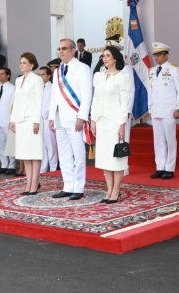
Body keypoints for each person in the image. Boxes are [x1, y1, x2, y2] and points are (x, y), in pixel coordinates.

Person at [48, 38, 93, 200]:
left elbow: (87, 95)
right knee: (64, 155)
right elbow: (55, 96)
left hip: (75, 117)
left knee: (78, 154)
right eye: (59, 49)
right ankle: (68, 185)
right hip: (60, 118)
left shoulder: (83, 68)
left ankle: (79, 187)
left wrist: (82, 116)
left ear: (73, 50)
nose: (61, 51)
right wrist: (52, 116)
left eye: (64, 48)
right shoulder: (57, 71)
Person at [90, 46, 133, 203]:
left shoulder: (123, 77)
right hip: (101, 122)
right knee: (104, 157)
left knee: (117, 157)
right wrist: (93, 119)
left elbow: (125, 102)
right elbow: (95, 99)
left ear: (115, 58)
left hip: (115, 121)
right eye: (103, 56)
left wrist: (122, 123)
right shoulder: (98, 76)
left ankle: (116, 190)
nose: (104, 58)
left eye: (108, 55)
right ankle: (109, 189)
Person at [9, 53, 44, 194]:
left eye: (24, 62)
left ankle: (34, 183)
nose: (22, 65)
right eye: (21, 62)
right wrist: (13, 119)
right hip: (21, 120)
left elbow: (39, 101)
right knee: (25, 153)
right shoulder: (18, 81)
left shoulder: (37, 79)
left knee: (34, 153)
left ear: (32, 64)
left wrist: (36, 121)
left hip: (32, 119)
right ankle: (28, 183)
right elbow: (16, 102)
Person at [148, 42, 179, 180]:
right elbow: (150, 91)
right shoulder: (151, 71)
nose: (156, 57)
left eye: (159, 54)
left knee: (170, 140)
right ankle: (160, 167)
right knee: (158, 140)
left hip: (169, 110)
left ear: (166, 55)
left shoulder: (174, 69)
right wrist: (150, 107)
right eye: (155, 54)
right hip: (156, 110)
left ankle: (169, 168)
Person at [0, 67, 15, 175]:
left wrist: (13, 120)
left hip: (8, 120)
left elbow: (14, 106)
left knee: (10, 143)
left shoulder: (12, 88)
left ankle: (12, 165)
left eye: (2, 74)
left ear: (8, 75)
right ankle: (4, 164)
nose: (0, 76)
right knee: (1, 144)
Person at [38, 67, 58, 173]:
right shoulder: (38, 87)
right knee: (42, 146)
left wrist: (49, 116)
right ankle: (43, 168)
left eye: (43, 74)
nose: (41, 77)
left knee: (51, 146)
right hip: (39, 120)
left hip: (49, 119)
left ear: (49, 76)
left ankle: (54, 168)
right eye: (40, 74)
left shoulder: (53, 87)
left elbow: (53, 104)